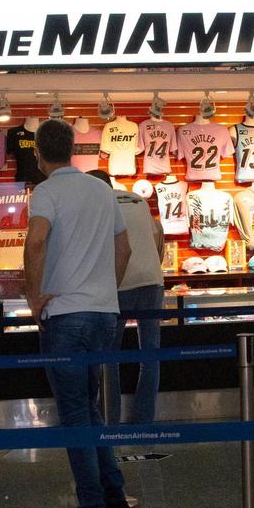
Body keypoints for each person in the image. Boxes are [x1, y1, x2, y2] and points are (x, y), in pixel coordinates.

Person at [23, 119, 133, 508]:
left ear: (38, 153)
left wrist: (35, 298)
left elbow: (35, 242)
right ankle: (114, 498)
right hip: (104, 314)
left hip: (65, 315)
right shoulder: (101, 190)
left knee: (75, 415)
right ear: (73, 149)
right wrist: (106, 291)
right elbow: (124, 248)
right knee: (89, 409)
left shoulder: (46, 192)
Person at [89, 170, 165, 425]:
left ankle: (110, 418)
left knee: (110, 354)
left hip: (119, 282)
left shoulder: (100, 205)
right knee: (150, 354)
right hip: (152, 281)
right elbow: (158, 235)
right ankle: (144, 419)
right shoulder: (137, 200)